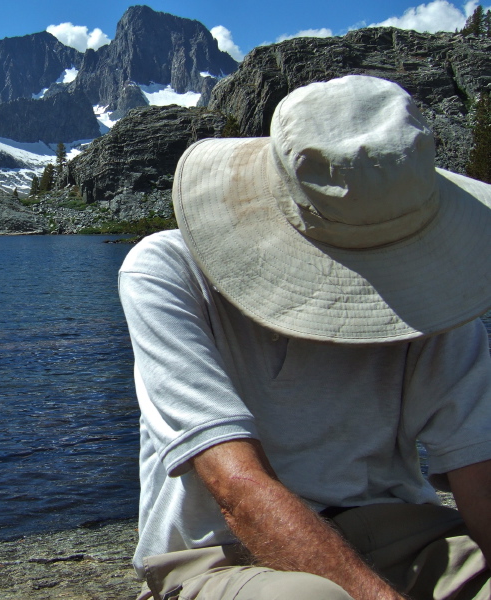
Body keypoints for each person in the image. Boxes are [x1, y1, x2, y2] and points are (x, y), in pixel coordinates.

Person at [118, 75, 491, 600]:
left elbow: (480, 469)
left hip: (404, 534)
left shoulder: (440, 292)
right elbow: (235, 485)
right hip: (226, 554)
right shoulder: (168, 270)